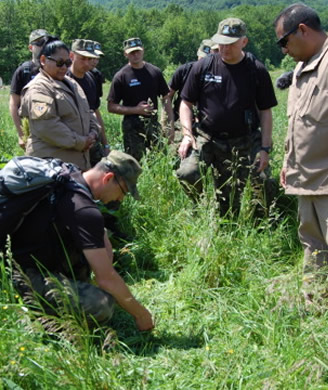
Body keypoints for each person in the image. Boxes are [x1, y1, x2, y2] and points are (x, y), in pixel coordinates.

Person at [5, 150, 154, 331]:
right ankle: (39, 319)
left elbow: (104, 248)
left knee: (98, 244)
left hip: (24, 262)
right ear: (107, 178)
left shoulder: (72, 176)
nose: (121, 199)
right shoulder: (84, 210)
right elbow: (106, 279)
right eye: (123, 191)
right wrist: (141, 314)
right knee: (102, 305)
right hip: (26, 276)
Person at [177, 18, 278, 215]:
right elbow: (185, 103)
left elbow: (265, 111)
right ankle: (198, 208)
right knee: (187, 173)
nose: (225, 49)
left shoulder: (256, 70)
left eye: (231, 44)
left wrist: (265, 147)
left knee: (262, 182)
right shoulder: (203, 67)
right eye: (221, 43)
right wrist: (187, 134)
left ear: (244, 42)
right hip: (208, 137)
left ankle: (262, 220)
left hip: (245, 139)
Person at [274, 4, 328, 298]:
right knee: (312, 246)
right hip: (305, 179)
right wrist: (287, 161)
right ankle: (318, 309)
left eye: (284, 41)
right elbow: (300, 123)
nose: (284, 50)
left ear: (303, 30)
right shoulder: (300, 69)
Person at [19, 38, 99, 171]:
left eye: (67, 63)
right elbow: (47, 126)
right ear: (43, 60)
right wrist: (80, 142)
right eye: (59, 63)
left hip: (77, 164)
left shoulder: (71, 83)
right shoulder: (38, 88)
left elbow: (88, 112)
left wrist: (94, 133)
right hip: (51, 168)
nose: (64, 67)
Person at [107, 37, 175, 161]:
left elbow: (166, 98)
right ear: (125, 54)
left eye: (138, 51)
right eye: (131, 52)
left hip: (153, 124)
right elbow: (111, 107)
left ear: (143, 50)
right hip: (132, 127)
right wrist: (136, 110)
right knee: (135, 163)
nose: (135, 54)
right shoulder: (121, 76)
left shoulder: (154, 72)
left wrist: (170, 125)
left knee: (160, 159)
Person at [67, 39, 109, 165]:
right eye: (83, 58)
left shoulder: (91, 79)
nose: (87, 63)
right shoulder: (63, 80)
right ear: (72, 56)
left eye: (90, 59)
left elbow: (95, 111)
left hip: (91, 138)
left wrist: (105, 144)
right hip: (70, 142)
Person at [9, 29, 49, 150]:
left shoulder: (56, 68)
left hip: (53, 125)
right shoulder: (23, 70)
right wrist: (21, 134)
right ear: (30, 47)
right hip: (31, 127)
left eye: (46, 43)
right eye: (39, 43)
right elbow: (14, 103)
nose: (43, 46)